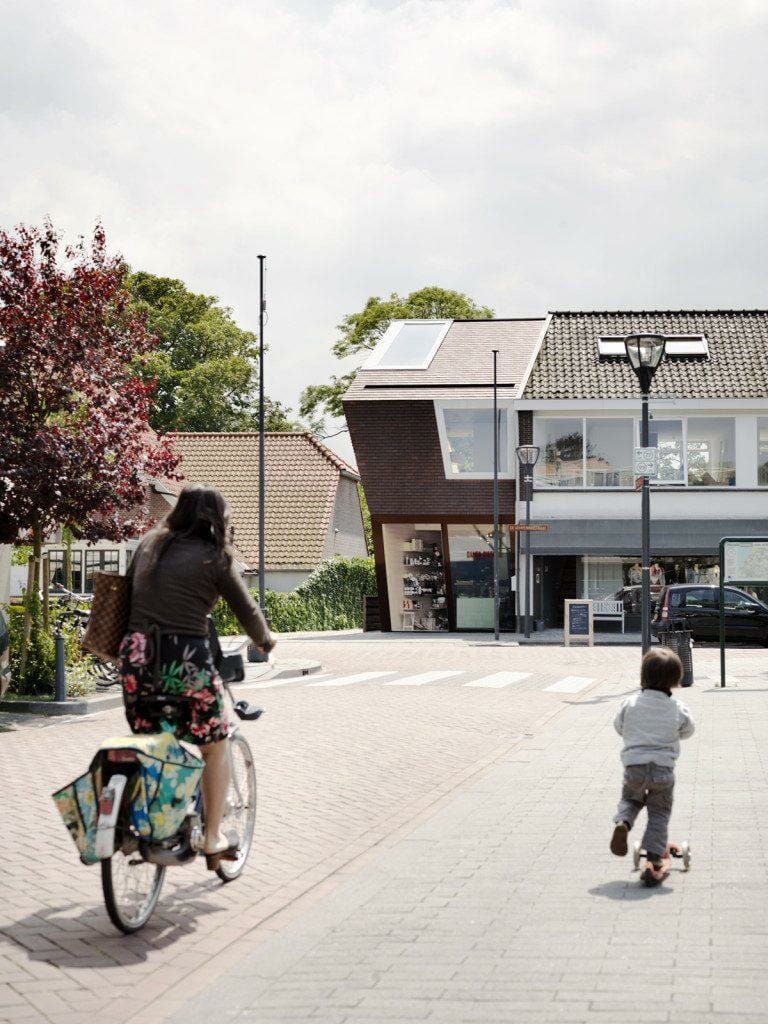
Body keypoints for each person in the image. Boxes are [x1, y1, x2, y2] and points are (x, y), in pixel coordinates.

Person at [119, 485, 274, 869]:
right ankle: (212, 837)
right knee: (214, 744)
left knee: (155, 739)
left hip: (136, 658)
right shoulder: (214, 557)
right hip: (185, 660)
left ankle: (146, 820)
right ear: (217, 519)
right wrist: (265, 641)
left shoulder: (149, 546)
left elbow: (126, 596)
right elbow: (247, 610)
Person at [609, 648, 695, 883]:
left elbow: (619, 726)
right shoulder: (676, 707)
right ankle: (655, 855)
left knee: (631, 800)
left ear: (643, 675)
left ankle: (623, 822)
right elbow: (688, 729)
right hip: (662, 771)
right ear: (675, 679)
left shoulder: (630, 703)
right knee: (659, 812)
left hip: (634, 767)